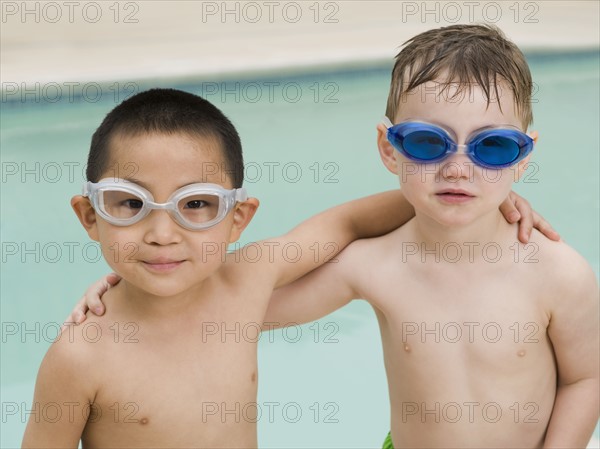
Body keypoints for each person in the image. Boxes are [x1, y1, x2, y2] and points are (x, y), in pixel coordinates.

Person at [62, 25, 571, 447]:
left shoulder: (557, 272)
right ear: (390, 148)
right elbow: (225, 309)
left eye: (494, 148)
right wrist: (133, 291)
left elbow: (586, 378)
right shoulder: (368, 267)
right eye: (427, 143)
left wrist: (484, 195)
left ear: (522, 156)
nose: (459, 168)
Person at [22, 88, 420, 447]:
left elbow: (344, 224)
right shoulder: (81, 356)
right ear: (90, 216)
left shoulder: (244, 282)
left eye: (195, 204)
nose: (162, 234)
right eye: (130, 203)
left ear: (238, 219)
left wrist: (463, 201)